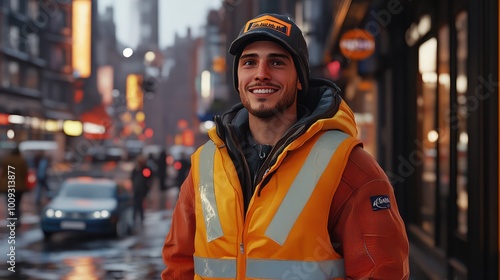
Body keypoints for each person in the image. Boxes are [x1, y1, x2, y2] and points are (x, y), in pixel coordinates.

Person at [161, 13, 409, 279]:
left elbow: (382, 271)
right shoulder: (205, 162)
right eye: (249, 62)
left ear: (300, 79)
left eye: (277, 62)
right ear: (238, 79)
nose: (261, 74)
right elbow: (179, 265)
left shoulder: (349, 165)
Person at [0, 146, 29, 226]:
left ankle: (12, 218)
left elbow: (3, 172)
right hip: (19, 186)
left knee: (10, 202)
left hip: (8, 185)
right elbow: (25, 173)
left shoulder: (6, 160)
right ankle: (17, 218)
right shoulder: (21, 161)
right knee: (17, 203)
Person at [130, 155, 149, 224]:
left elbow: (148, 177)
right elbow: (132, 178)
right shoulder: (135, 170)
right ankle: (135, 218)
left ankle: (140, 218)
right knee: (136, 204)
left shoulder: (144, 169)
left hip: (142, 189)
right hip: (137, 189)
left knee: (140, 204)